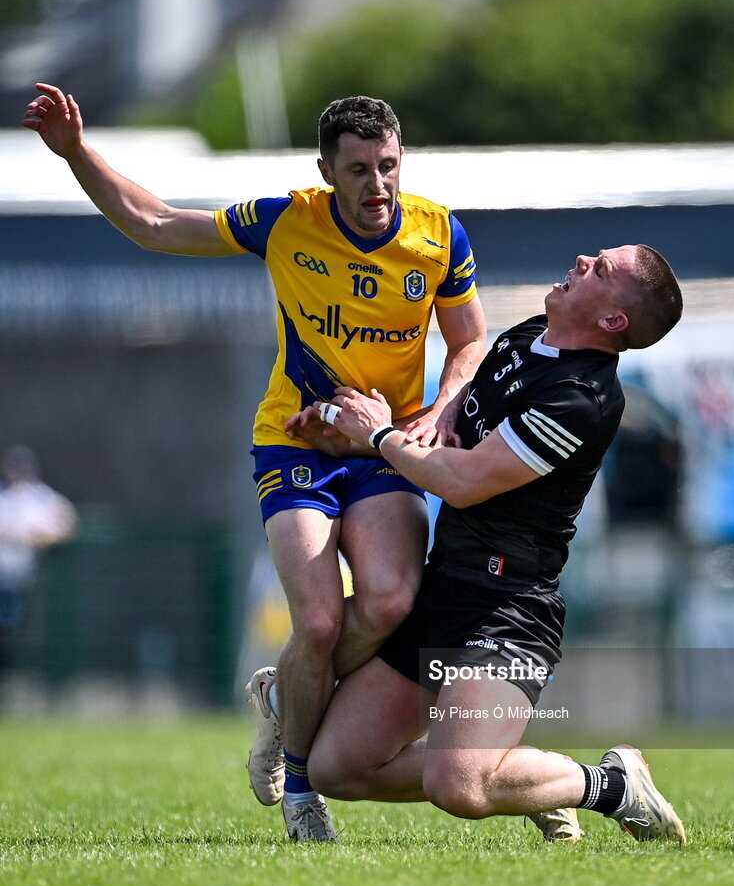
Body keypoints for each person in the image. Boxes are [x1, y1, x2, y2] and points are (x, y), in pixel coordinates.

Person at [22, 84, 487, 841]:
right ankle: (303, 794)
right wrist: (78, 152)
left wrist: (437, 413)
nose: (378, 185)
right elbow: (156, 224)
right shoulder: (287, 221)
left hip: (381, 444)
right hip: (295, 443)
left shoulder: (439, 237)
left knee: (393, 602)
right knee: (316, 620)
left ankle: (282, 702)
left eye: (389, 166)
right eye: (360, 169)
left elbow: (469, 341)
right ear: (327, 171)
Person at [279, 243, 686, 843]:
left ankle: (610, 784)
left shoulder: (581, 399)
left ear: (612, 323)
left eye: (600, 270)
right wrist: (349, 426)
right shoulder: (526, 336)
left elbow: (464, 483)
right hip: (444, 590)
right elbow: (448, 438)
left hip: (509, 611)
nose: (579, 260)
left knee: (460, 786)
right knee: (335, 767)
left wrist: (382, 435)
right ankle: (526, 776)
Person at [0, 446, 78, 689]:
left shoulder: (40, 497)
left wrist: (39, 538)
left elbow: (68, 523)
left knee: (9, 628)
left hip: (19, 577)